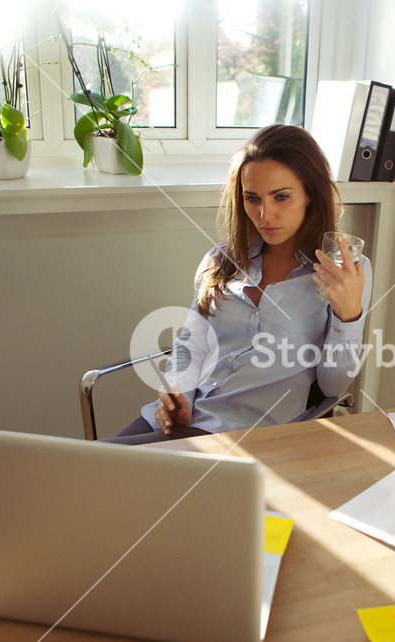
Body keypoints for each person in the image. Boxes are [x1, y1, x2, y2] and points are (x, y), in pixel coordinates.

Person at [106, 124, 372, 445]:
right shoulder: (221, 259)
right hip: (179, 421)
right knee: (85, 469)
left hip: (243, 437)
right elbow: (191, 345)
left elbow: (332, 389)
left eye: (281, 197)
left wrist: (349, 316)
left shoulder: (347, 273)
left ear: (310, 194)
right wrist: (178, 394)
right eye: (252, 198)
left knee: (95, 479)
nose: (264, 214)